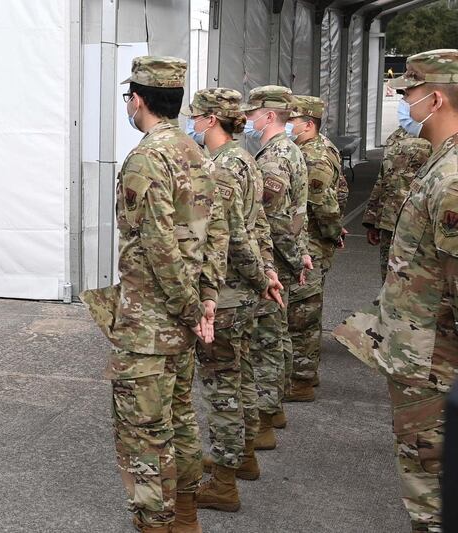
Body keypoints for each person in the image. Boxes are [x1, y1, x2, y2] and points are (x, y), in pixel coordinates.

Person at [81, 56, 220, 533]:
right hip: (182, 321)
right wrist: (205, 301)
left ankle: (157, 523)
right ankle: (184, 517)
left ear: (137, 100)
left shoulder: (146, 157)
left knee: (144, 434)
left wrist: (187, 305)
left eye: (127, 97)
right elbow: (213, 233)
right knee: (180, 418)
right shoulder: (195, 151)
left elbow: (159, 245)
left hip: (149, 325)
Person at [334, 48, 458, 533]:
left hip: (434, 363)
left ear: (437, 97)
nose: (405, 105)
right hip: (424, 357)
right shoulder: (441, 164)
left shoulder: (451, 179)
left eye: (408, 94)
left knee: (431, 495)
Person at [185, 88, 284, 513]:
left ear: (210, 120)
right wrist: (265, 274)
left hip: (225, 295)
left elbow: (236, 237)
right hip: (242, 292)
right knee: (238, 377)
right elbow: (259, 226)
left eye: (196, 116)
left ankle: (224, 482)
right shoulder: (245, 158)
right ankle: (240, 457)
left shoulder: (222, 168)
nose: (192, 123)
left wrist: (260, 275)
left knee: (222, 386)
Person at [242, 85, 309, 447]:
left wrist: (292, 259)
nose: (248, 119)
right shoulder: (288, 150)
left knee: (266, 340)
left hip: (275, 261)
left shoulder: (274, 159)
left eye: (253, 113)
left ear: (270, 116)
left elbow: (273, 220)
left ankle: (264, 420)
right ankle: (275, 408)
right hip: (286, 256)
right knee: (277, 334)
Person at [285, 95, 345, 401]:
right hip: (309, 241)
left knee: (302, 316)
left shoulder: (313, 156)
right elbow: (341, 190)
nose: (286, 124)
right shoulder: (313, 148)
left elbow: (323, 203)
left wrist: (334, 233)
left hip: (310, 243)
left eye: (291, 120)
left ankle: (301, 381)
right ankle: (303, 373)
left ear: (308, 124)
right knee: (303, 311)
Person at [363, 123, 431, 282]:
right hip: (389, 223)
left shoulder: (436, 134)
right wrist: (371, 221)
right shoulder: (396, 136)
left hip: (418, 225)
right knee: (389, 280)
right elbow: (383, 178)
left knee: (418, 284)